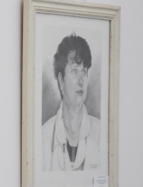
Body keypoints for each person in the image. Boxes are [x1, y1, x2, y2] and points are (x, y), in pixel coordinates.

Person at [42, 33, 101, 171]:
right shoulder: (43, 137)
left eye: (84, 71)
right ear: (61, 81)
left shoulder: (100, 133)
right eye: (74, 71)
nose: (81, 81)